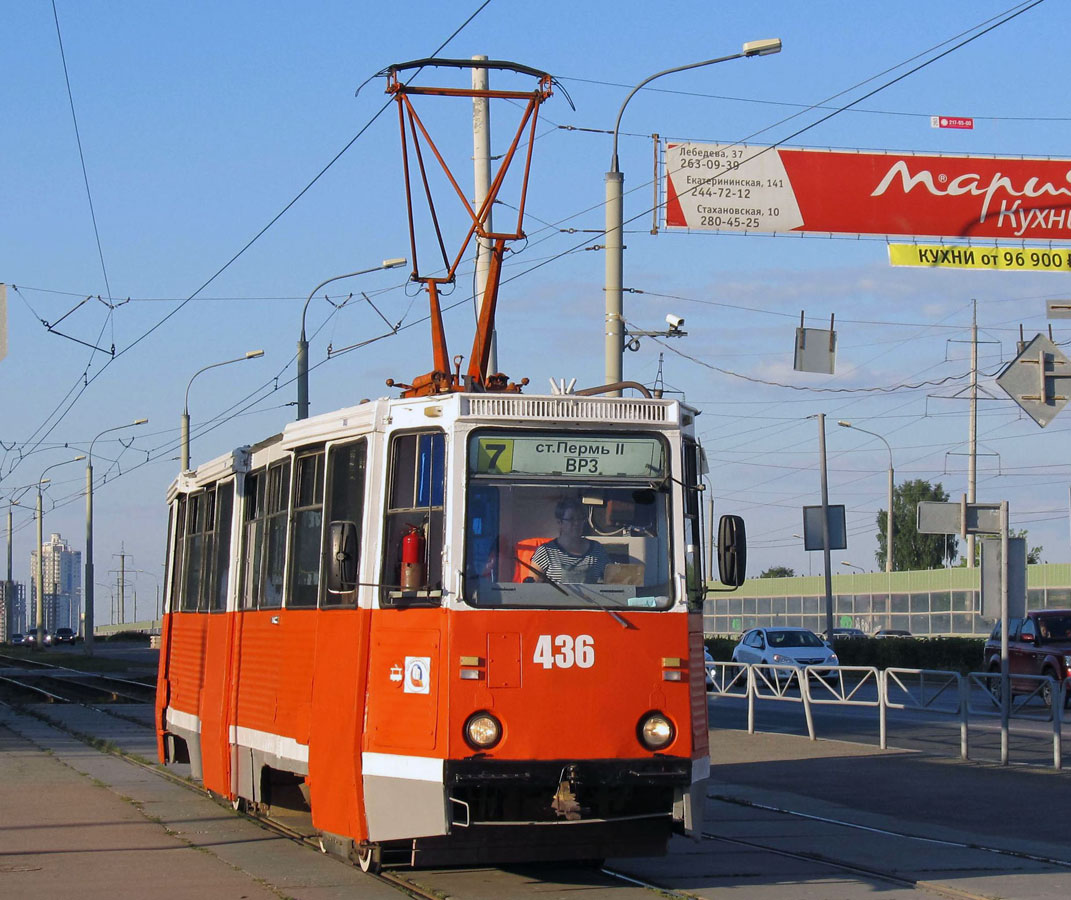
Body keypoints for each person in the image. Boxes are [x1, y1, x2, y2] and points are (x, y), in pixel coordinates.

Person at [530, 498, 608, 584]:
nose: (577, 523)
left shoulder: (597, 549)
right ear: (560, 522)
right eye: (571, 519)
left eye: (580, 519)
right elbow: (532, 586)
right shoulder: (546, 551)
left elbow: (611, 580)